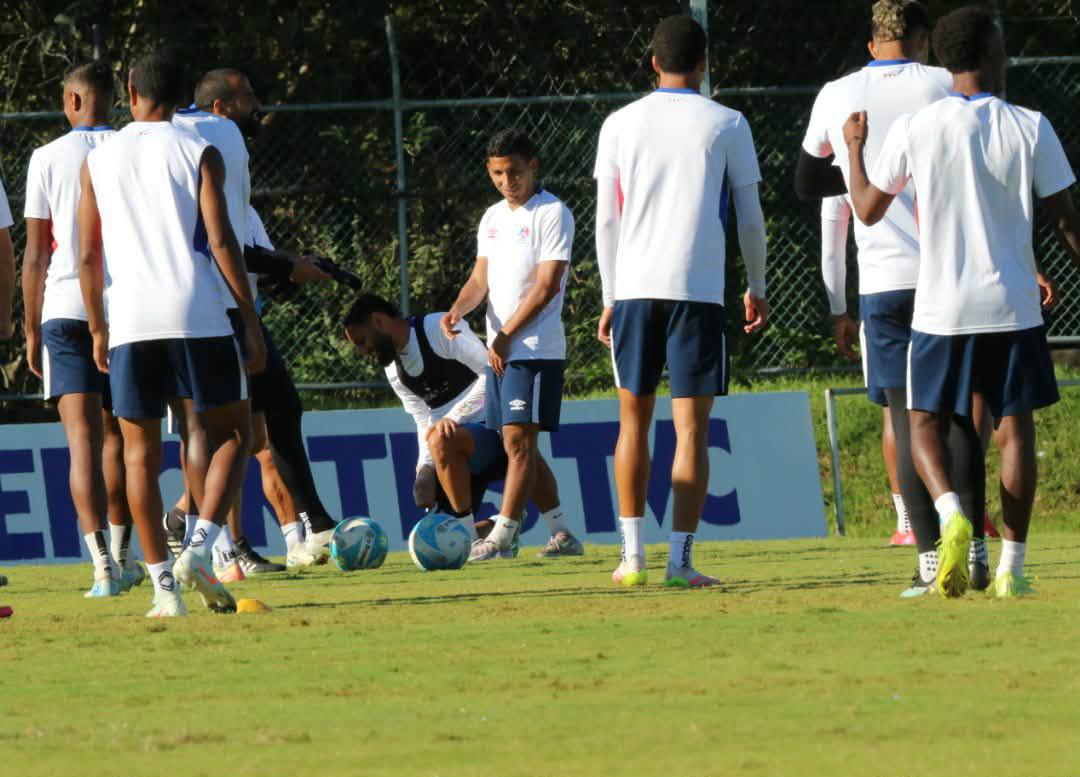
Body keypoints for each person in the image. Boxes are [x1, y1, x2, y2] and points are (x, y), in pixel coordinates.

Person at [844, 5, 1080, 597]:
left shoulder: (919, 128)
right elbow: (1066, 221)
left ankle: (949, 512)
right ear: (989, 54)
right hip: (1013, 306)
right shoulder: (1030, 125)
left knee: (923, 419)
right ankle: (1011, 570)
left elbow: (869, 209)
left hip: (941, 305)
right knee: (1014, 432)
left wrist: (853, 148)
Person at [796, 0, 995, 597]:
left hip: (882, 277)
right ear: (923, 37)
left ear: (871, 43)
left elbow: (808, 182)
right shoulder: (940, 84)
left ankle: (931, 557)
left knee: (909, 420)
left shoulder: (838, 92)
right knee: (958, 410)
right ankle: (979, 552)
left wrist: (874, 174)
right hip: (947, 272)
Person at [77, 51, 266, 617]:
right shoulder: (198, 149)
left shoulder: (101, 159)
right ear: (183, 95)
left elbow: (88, 255)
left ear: (130, 90)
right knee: (233, 433)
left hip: (131, 317)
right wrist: (248, 317)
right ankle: (202, 546)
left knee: (139, 453)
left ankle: (165, 590)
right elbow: (222, 241)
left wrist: (97, 326)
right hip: (198, 311)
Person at [594, 15, 768, 588]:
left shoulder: (619, 124)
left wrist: (609, 295)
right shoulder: (728, 122)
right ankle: (680, 562)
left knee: (631, 424)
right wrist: (757, 285)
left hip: (636, 291)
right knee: (691, 432)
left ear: (652, 62)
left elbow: (607, 219)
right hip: (697, 293)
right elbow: (750, 218)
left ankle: (631, 558)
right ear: (705, 64)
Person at [167, 68, 339, 570]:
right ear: (220, 108)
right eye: (248, 99)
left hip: (161, 307)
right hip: (216, 307)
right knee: (229, 431)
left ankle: (300, 527)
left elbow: (243, 244)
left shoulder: (149, 142)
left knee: (238, 426)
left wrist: (289, 265)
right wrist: (275, 280)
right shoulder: (219, 136)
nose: (257, 109)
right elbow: (226, 246)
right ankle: (217, 546)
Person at [21, 60, 145, 597]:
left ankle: (102, 569)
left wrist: (28, 329)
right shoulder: (132, 148)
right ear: (114, 100)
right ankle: (124, 553)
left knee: (81, 442)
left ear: (72, 101)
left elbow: (34, 255)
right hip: (126, 309)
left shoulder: (46, 157)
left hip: (65, 307)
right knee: (123, 436)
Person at [343, 293, 582, 555]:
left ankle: (555, 535)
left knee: (519, 446)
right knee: (436, 541)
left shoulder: (436, 327)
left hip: (490, 427)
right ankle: (493, 530)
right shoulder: (394, 371)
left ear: (379, 321)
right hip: (450, 449)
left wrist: (454, 417)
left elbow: (489, 371)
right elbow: (423, 419)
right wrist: (424, 469)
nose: (363, 352)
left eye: (362, 341)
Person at [441, 128, 575, 563]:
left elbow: (546, 286)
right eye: (497, 173)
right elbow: (480, 279)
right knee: (519, 446)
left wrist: (504, 334)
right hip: (502, 351)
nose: (505, 181)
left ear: (533, 165)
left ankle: (502, 537)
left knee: (518, 443)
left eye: (513, 171)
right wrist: (458, 309)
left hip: (533, 349)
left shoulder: (552, 212)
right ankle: (562, 534)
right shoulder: (493, 217)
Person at [820, 194, 914, 546]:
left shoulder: (843, 144)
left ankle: (908, 521)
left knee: (895, 407)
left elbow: (832, 243)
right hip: (939, 281)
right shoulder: (924, 135)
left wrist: (838, 311)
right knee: (955, 401)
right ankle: (963, 508)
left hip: (882, 287)